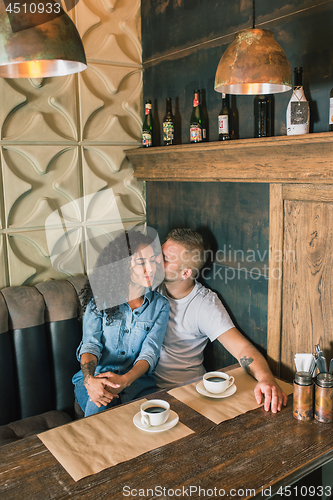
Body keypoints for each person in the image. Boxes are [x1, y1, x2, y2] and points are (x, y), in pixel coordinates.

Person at [154, 228, 287, 414]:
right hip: (145, 388)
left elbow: (243, 349)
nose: (156, 260)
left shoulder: (204, 304)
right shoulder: (150, 282)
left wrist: (266, 379)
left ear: (185, 273)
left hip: (185, 393)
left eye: (165, 259)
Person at [72, 230, 170, 417]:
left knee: (155, 417)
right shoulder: (100, 300)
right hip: (97, 378)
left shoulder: (160, 305)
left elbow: (150, 352)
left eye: (152, 260)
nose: (150, 269)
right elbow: (90, 345)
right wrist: (89, 380)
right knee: (99, 403)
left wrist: (125, 380)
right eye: (141, 262)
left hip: (137, 383)